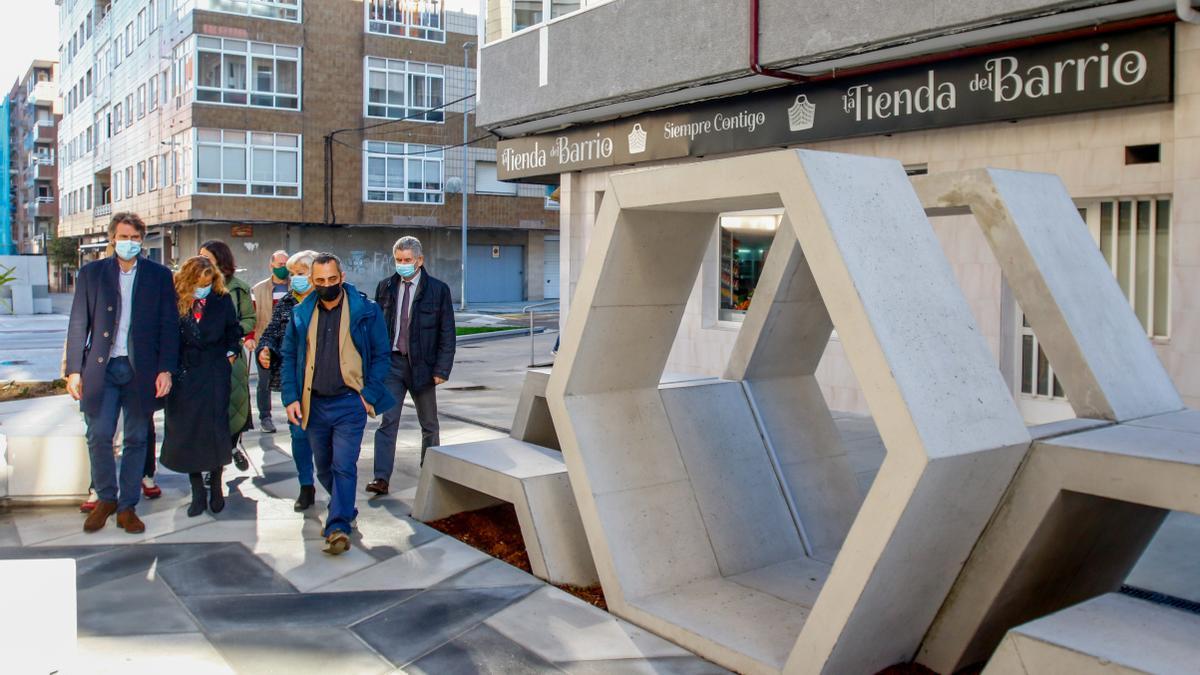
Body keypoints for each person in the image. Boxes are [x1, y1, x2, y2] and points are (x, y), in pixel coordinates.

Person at [64, 212, 179, 534]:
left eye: (135, 238)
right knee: (99, 434)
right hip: (102, 369)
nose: (129, 243)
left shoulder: (158, 276)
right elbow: (78, 324)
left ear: (142, 240)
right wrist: (74, 370)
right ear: (112, 238)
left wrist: (166, 369)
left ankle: (128, 506)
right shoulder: (92, 274)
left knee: (137, 438)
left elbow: (169, 326)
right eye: (123, 236)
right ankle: (106, 498)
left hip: (140, 371)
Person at [281, 253, 394, 554]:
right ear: (313, 282)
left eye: (332, 279)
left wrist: (367, 395)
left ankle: (338, 526)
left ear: (341, 277)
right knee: (324, 467)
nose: (326, 285)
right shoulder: (301, 312)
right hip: (314, 403)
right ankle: (346, 509)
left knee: (344, 464)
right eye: (320, 281)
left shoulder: (366, 311)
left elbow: (383, 356)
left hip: (349, 403)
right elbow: (289, 356)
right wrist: (290, 397)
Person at [370, 236, 455, 495]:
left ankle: (431, 472)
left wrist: (441, 369)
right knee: (388, 421)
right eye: (399, 260)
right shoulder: (385, 287)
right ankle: (381, 478)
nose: (403, 264)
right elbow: (378, 329)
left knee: (429, 424)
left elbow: (447, 333)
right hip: (393, 365)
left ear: (420, 260)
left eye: (408, 260)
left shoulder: (438, 290)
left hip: (424, 367)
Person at [160, 256, 242, 517]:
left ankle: (216, 485)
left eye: (208, 282)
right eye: (199, 282)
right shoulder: (175, 300)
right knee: (187, 431)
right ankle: (197, 491)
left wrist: (231, 352)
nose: (203, 286)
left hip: (214, 371)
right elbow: (167, 335)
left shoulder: (222, 299)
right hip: (184, 374)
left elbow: (233, 331)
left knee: (215, 429)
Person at [257, 250, 318, 511]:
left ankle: (335, 484)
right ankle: (306, 485)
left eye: (300, 274)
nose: (295, 280)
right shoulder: (287, 302)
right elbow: (271, 332)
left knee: (326, 439)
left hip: (324, 382)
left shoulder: (327, 301)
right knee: (299, 435)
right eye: (292, 274)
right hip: (293, 381)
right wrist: (265, 349)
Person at [200, 240, 256, 471]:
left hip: (230, 357)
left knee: (234, 406)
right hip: (202, 358)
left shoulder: (239, 288)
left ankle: (231, 447)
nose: (203, 263)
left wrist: (233, 334)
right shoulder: (194, 286)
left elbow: (249, 318)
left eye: (208, 259)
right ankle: (211, 464)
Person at [250, 249, 290, 433]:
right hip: (265, 343)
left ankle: (294, 414)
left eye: (286, 265)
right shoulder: (258, 290)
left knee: (291, 380)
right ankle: (265, 417)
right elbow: (251, 315)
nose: (283, 268)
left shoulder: (295, 288)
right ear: (271, 265)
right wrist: (250, 338)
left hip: (290, 343)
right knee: (264, 382)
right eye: (280, 265)